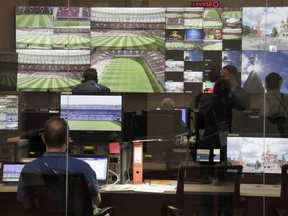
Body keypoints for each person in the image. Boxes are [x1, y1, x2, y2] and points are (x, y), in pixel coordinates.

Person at [17, 117, 101, 213]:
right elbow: (97, 201)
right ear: (68, 140)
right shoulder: (83, 167)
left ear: (43, 138)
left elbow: (26, 204)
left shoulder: (29, 168)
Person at [221, 65, 250, 133]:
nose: (221, 80)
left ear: (232, 77)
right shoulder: (222, 93)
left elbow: (243, 120)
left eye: (224, 77)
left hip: (236, 133)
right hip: (223, 133)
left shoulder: (244, 94)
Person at [260, 72, 288, 137]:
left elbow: (264, 116)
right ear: (279, 84)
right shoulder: (286, 97)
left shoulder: (264, 97)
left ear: (266, 84)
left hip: (273, 132)